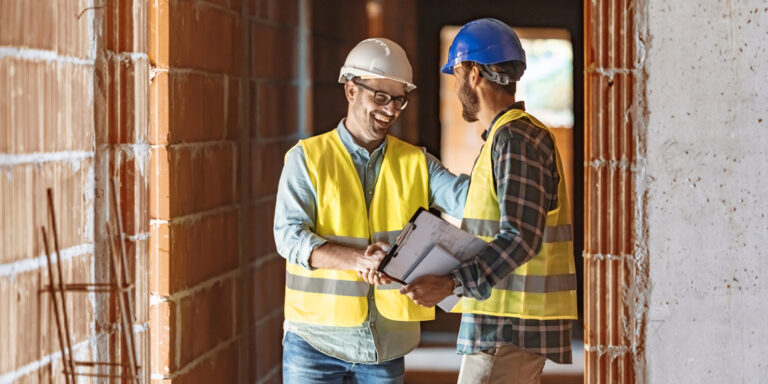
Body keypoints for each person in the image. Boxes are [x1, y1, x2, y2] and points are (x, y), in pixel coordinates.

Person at [273, 37, 468, 384]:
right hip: (315, 344)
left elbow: (469, 201)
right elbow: (289, 238)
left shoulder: (416, 162)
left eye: (399, 100)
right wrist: (359, 260)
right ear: (351, 91)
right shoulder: (307, 159)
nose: (391, 109)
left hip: (385, 347)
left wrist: (499, 143)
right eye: (381, 97)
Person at [399, 18, 578, 384]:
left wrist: (451, 284)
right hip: (500, 323)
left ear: (474, 73)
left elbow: (520, 238)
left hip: (508, 326)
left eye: (456, 74)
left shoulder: (516, 139)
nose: (456, 85)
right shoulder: (502, 139)